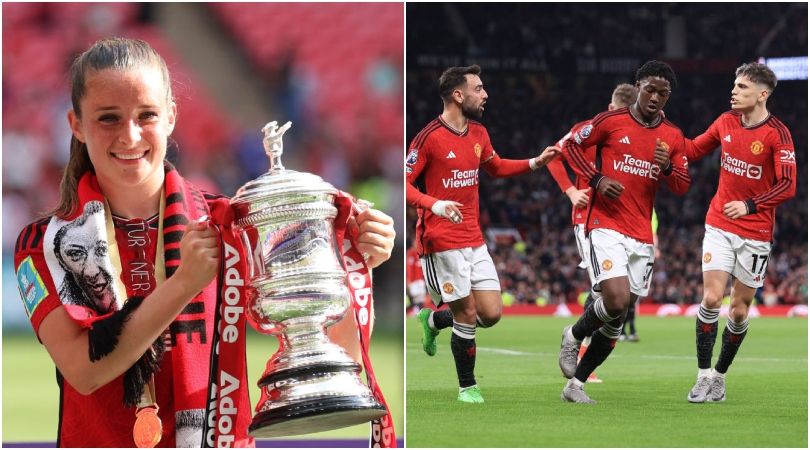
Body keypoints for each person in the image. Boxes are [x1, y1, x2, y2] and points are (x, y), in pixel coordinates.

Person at [13, 37, 396, 448]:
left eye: (147, 115)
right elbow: (84, 371)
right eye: (108, 118)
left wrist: (350, 259)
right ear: (76, 124)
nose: (129, 135)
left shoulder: (226, 225)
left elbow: (319, 338)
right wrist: (183, 284)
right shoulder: (45, 244)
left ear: (172, 117)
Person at [406, 64, 559, 403]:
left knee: (490, 312)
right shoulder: (429, 137)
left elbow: (496, 166)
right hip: (441, 240)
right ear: (458, 95)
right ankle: (467, 386)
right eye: (478, 88)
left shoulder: (478, 133)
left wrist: (536, 161)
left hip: (474, 238)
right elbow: (403, 183)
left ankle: (432, 321)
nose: (485, 94)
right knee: (467, 314)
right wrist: (435, 204)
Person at [557, 60, 691, 403]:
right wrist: (597, 179)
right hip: (604, 224)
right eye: (650, 89)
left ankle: (576, 385)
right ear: (639, 86)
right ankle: (572, 335)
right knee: (615, 299)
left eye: (663, 92)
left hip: (641, 233)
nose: (656, 97)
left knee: (616, 320)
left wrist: (667, 166)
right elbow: (570, 146)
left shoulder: (672, 135)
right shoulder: (610, 121)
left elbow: (682, 185)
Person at [684, 62, 796, 403]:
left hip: (756, 232)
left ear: (762, 94)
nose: (734, 91)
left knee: (738, 310)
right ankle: (703, 376)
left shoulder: (777, 134)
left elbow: (788, 185)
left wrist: (750, 205)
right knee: (711, 299)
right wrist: (665, 144)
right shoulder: (725, 121)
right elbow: (692, 149)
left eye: (743, 87)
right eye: (735, 85)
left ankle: (720, 375)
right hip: (719, 223)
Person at [546, 82, 639, 382]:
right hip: (590, 219)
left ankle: (579, 348)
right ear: (609, 109)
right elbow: (553, 157)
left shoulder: (639, 136)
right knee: (606, 291)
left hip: (626, 223)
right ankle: (579, 349)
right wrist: (571, 191)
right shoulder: (587, 130)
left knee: (621, 296)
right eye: (618, 113)